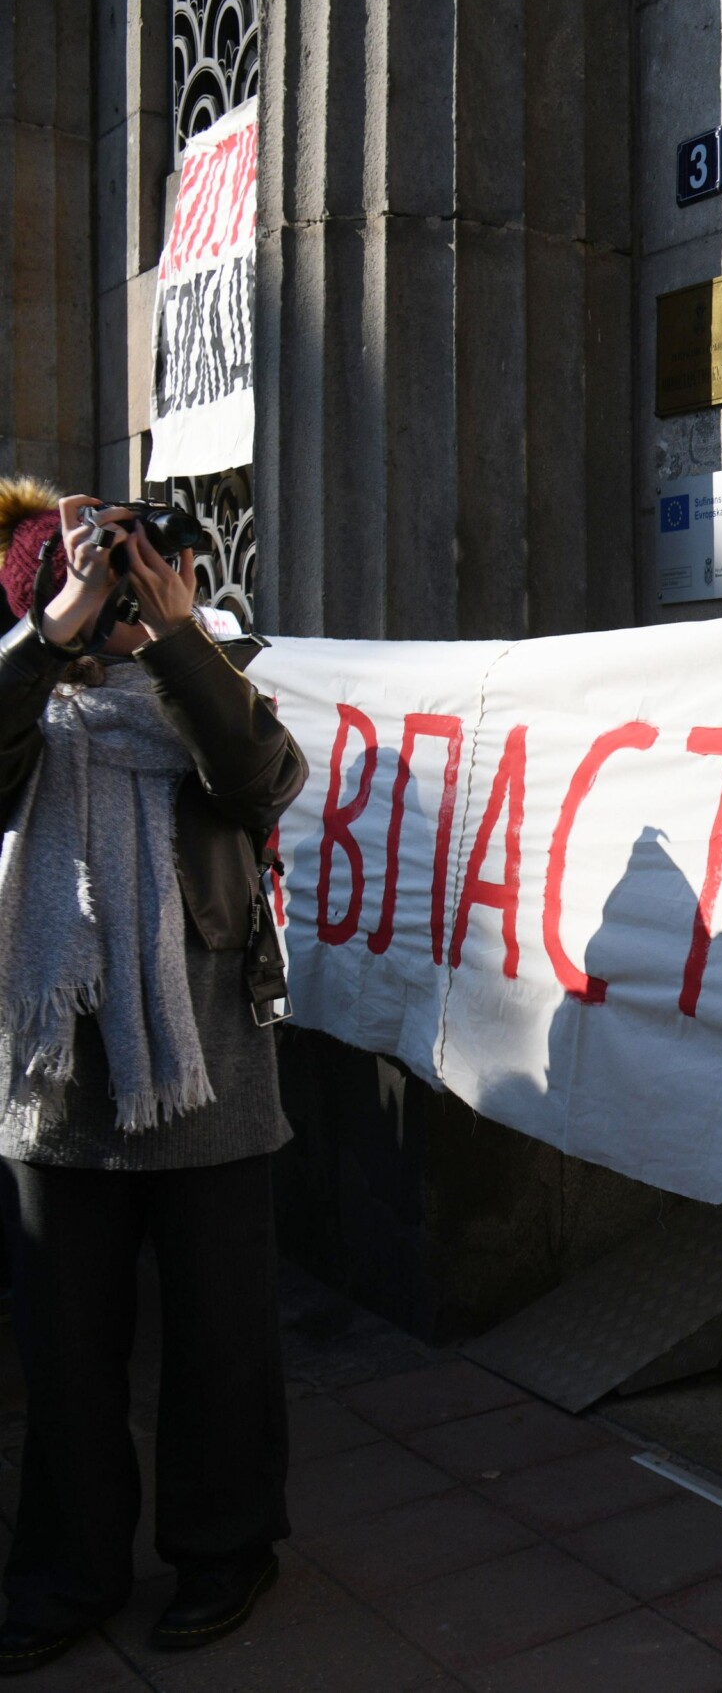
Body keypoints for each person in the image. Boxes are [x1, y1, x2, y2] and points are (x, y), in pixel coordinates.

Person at [0, 486, 307, 1674]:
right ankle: (68, 1570)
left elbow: (256, 781)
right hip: (55, 1082)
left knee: (221, 1340)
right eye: (95, 574)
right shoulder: (29, 696)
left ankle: (228, 1550)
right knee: (67, 1355)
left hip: (206, 1066)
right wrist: (56, 626)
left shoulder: (218, 682)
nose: (124, 592)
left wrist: (175, 642)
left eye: (139, 571)